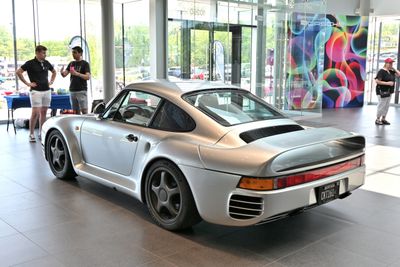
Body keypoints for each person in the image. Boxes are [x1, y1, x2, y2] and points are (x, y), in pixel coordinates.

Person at [16, 45, 56, 142]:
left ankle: (41, 133)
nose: (45, 55)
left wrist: (51, 81)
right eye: (43, 53)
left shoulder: (46, 63)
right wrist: (27, 83)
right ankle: (31, 134)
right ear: (37, 53)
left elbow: (54, 72)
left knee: (43, 113)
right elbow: (18, 72)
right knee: (35, 113)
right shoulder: (30, 63)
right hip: (35, 91)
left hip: (47, 90)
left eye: (45, 53)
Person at [60, 46, 91, 114]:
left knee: (84, 111)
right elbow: (64, 74)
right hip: (72, 90)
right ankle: (77, 125)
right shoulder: (71, 63)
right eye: (72, 52)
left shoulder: (85, 64)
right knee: (75, 111)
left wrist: (77, 74)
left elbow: (88, 77)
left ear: (80, 53)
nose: (73, 54)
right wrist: (61, 72)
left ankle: (85, 124)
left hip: (81, 90)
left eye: (75, 52)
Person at [375, 58, 400, 125]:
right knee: (382, 105)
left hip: (389, 91)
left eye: (391, 63)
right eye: (389, 63)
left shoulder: (391, 71)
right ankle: (377, 119)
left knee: (386, 105)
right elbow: (377, 81)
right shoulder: (381, 71)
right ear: (385, 63)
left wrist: (394, 68)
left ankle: (383, 119)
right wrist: (388, 83)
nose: (390, 64)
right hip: (382, 91)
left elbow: (399, 74)